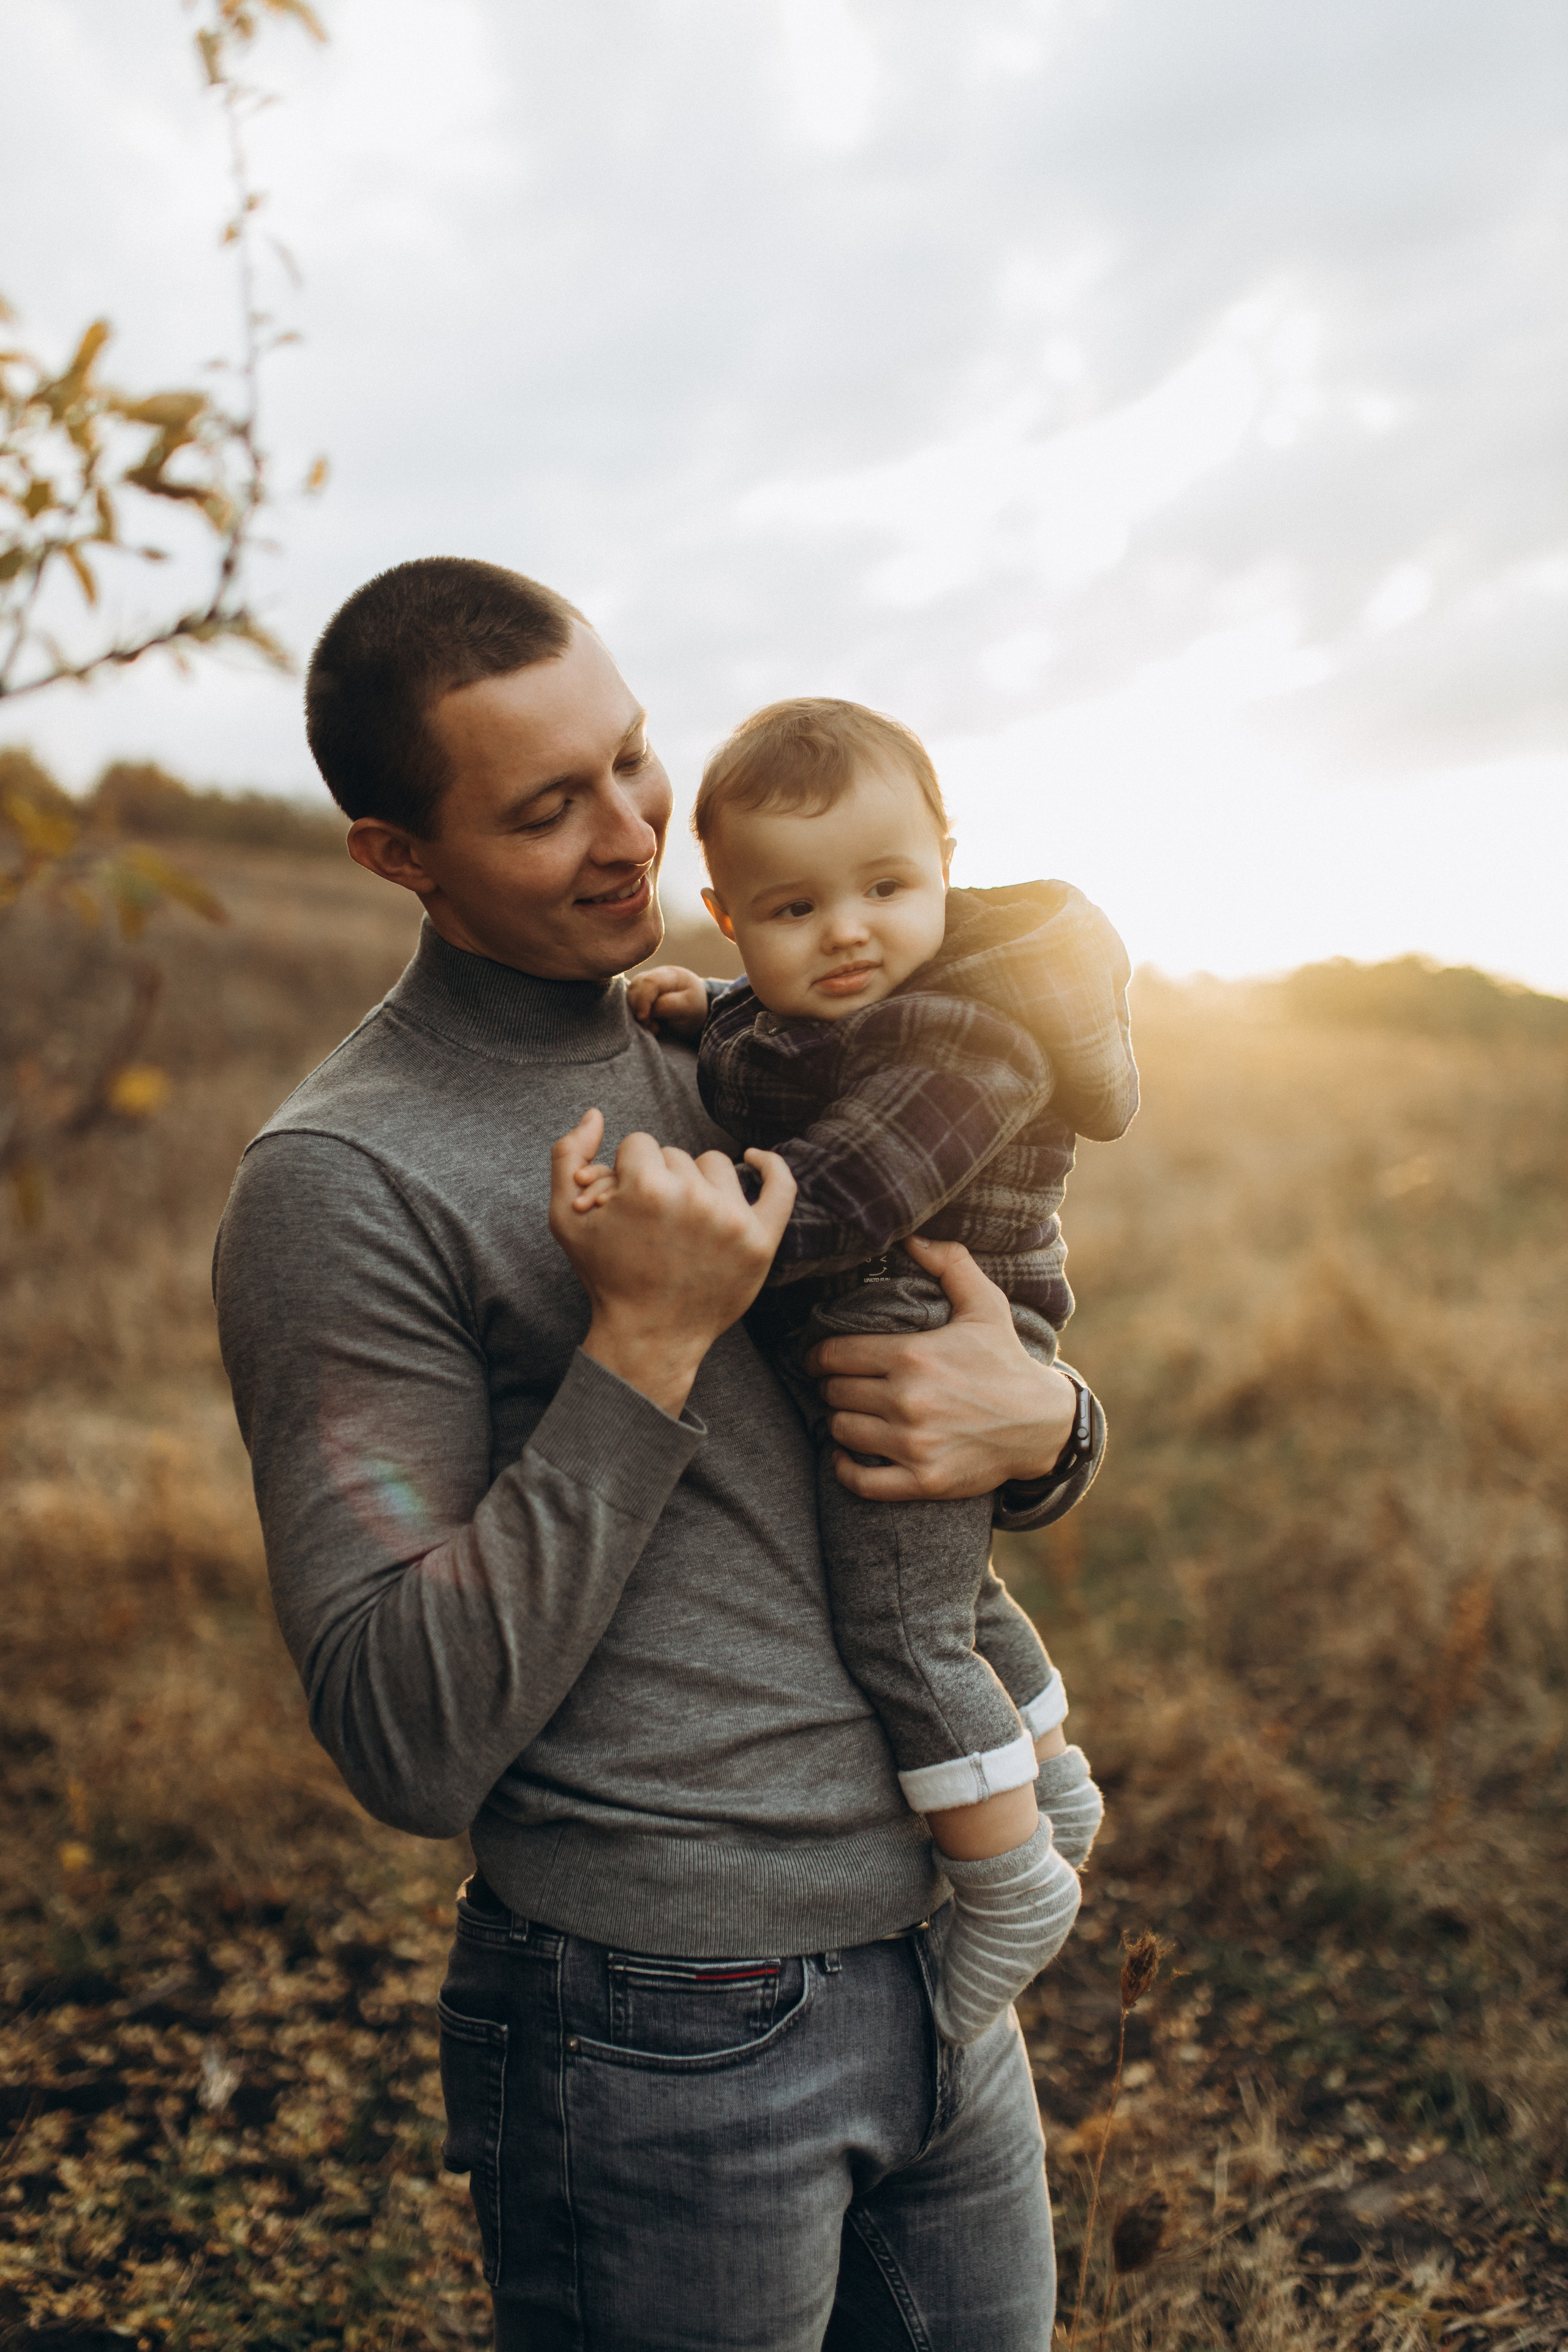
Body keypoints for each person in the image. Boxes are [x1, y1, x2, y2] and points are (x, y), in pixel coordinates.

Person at [213, 557, 1113, 2352]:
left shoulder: (758, 1038)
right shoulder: (342, 1183)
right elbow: (403, 1732)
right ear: (397, 853)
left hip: (941, 1960)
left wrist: (1052, 1428)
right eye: (549, 808)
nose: (631, 834)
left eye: (631, 758)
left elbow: (936, 1388)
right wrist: (638, 1346)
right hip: (658, 2020)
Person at [583, 697, 1136, 2051]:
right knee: (953, 1595)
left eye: (887, 888)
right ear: (726, 910)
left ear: (945, 859)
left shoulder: (972, 1038)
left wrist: (677, 1212)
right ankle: (1049, 1790)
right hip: (902, 1339)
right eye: (790, 910)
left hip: (915, 1335)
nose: (845, 932)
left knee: (902, 1631)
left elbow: (833, 1193)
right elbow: (801, 1044)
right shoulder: (868, 993)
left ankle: (1006, 1889)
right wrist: (706, 1007)